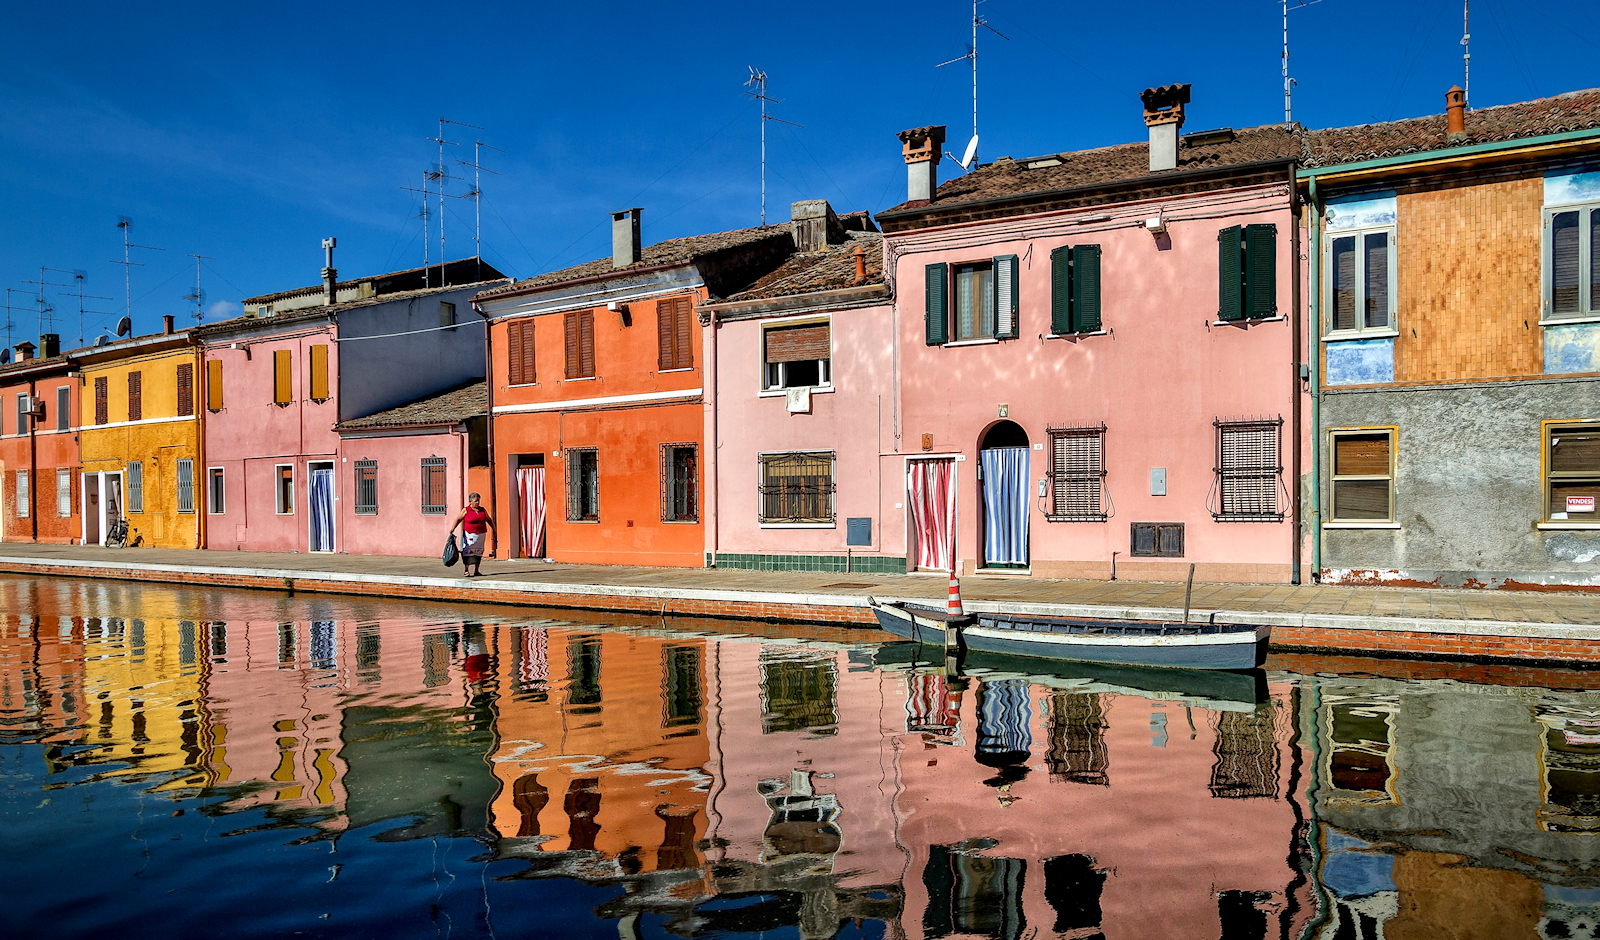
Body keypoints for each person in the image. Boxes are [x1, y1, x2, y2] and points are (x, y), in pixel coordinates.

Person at [451, 492, 496, 577]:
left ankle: (476, 570)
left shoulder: (482, 510)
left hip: (481, 535)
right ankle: (466, 570)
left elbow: (489, 519)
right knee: (468, 551)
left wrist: (494, 528)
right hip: (469, 535)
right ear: (470, 501)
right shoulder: (466, 510)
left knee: (478, 552)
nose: (478, 503)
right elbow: (458, 519)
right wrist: (452, 529)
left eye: (479, 500)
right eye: (476, 501)